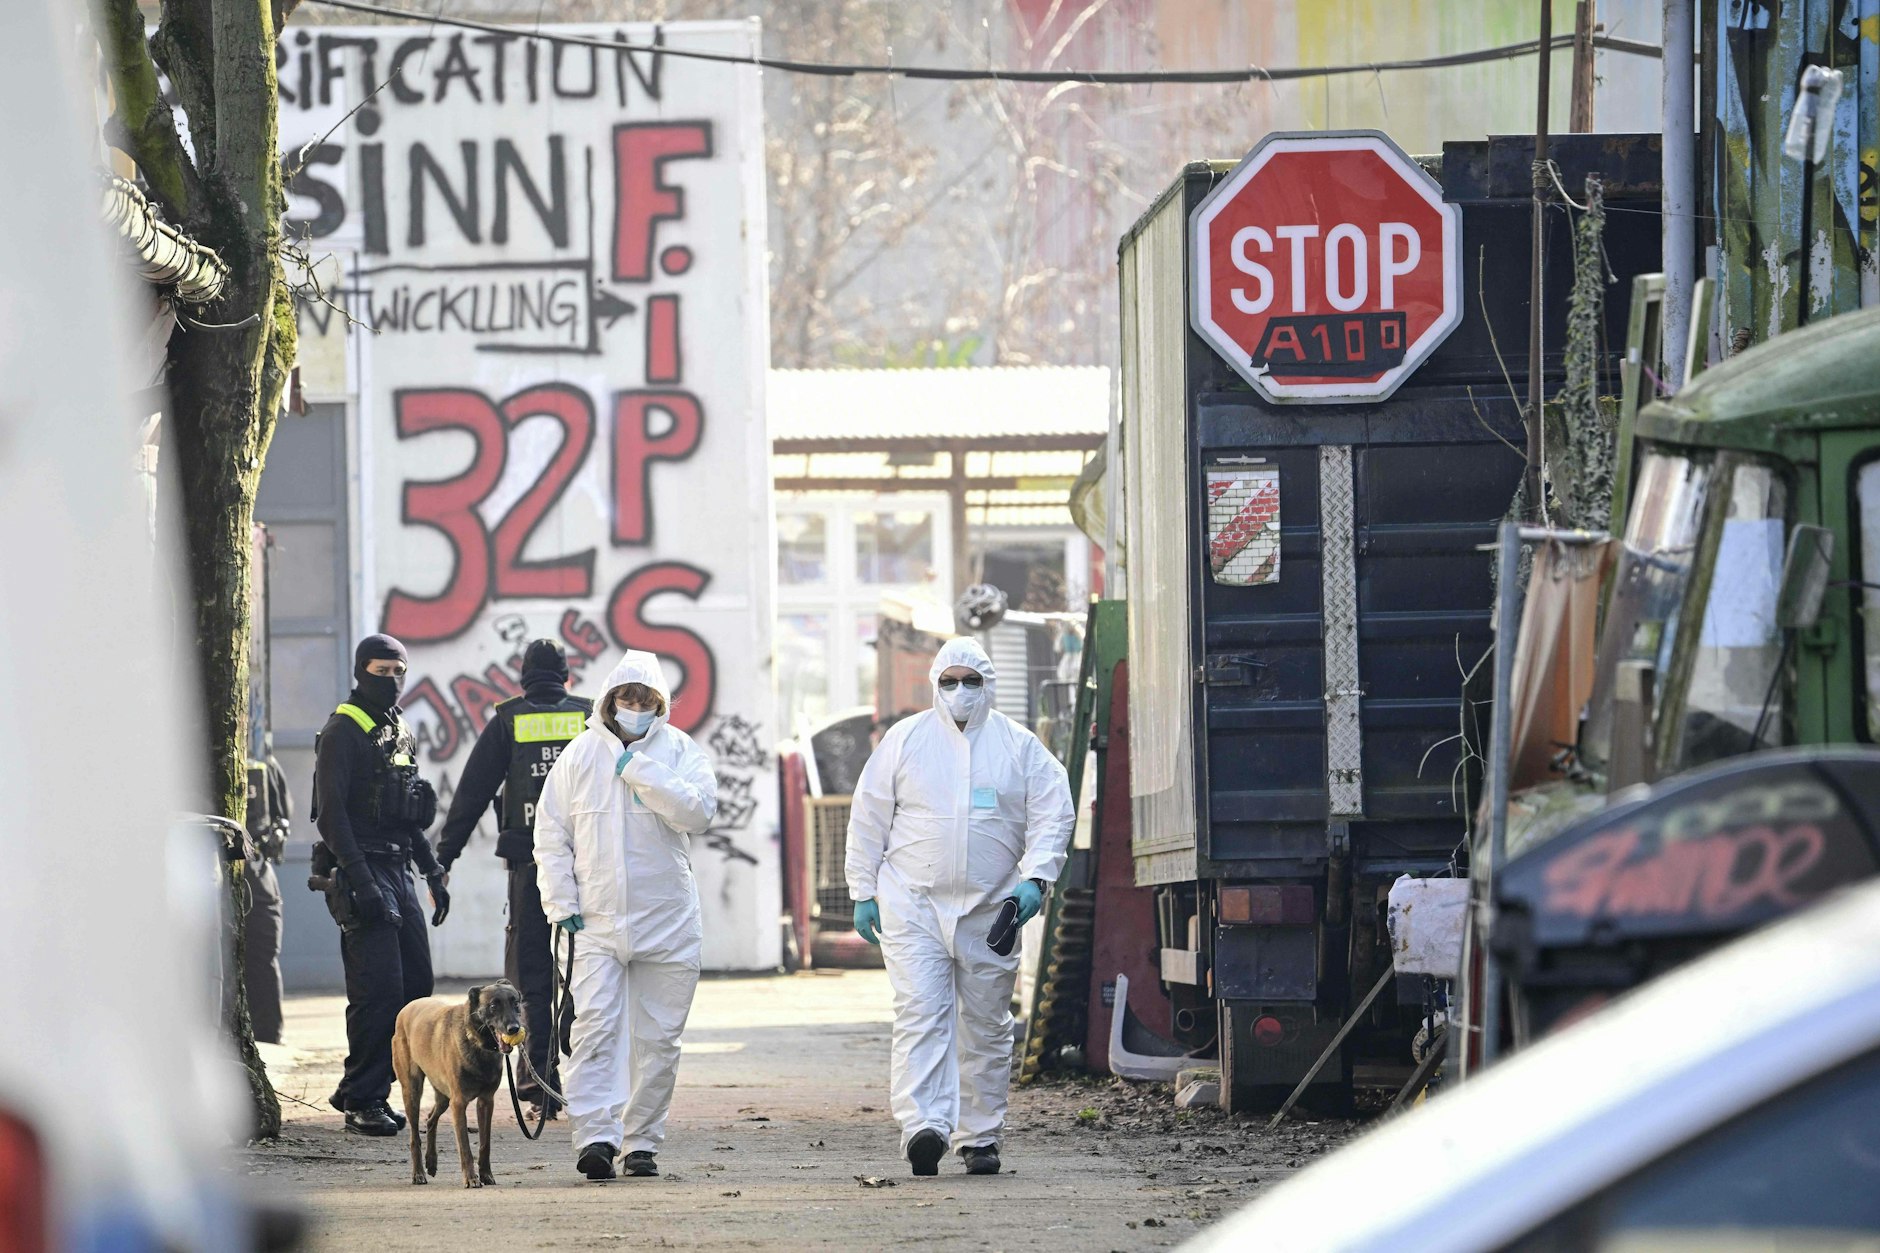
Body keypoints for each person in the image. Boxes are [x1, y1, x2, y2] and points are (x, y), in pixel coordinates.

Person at [845, 637, 1075, 1178]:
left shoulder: (1019, 748)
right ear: (934, 685)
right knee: (921, 1014)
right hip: (913, 905)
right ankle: (924, 1126)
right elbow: (869, 815)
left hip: (992, 910)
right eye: (948, 682)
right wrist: (863, 890)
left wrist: (1037, 879)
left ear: (988, 685)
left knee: (987, 1025)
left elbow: (1052, 812)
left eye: (970, 681)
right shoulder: (906, 741)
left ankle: (980, 1136)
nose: (959, 692)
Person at [534, 650, 718, 1182]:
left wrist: (640, 772)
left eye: (645, 700)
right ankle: (594, 1136)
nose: (635, 707)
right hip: (594, 923)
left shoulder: (680, 752)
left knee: (658, 1038)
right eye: (626, 697)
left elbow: (700, 813)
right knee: (592, 1029)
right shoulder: (578, 756)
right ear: (610, 700)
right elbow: (551, 834)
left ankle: (641, 1142)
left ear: (660, 705)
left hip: (668, 921)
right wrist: (560, 900)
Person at [436, 639, 592, 1114]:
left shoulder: (509, 719)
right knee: (591, 973)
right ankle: (589, 1076)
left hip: (529, 868)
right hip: (589, 867)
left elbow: (472, 793)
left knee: (529, 979)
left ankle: (540, 1087)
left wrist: (445, 856)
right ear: (566, 676)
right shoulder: (589, 718)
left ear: (523, 678)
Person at [313, 634, 450, 1136]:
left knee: (416, 987)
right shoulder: (342, 732)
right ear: (359, 672)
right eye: (381, 670)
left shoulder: (396, 729)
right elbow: (330, 816)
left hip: (399, 871)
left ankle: (366, 1088)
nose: (391, 680)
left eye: (399, 671)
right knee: (378, 991)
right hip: (360, 870)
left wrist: (432, 870)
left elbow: (405, 812)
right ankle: (363, 1100)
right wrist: (360, 879)